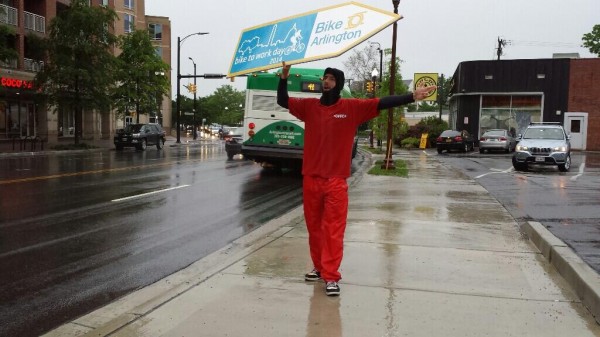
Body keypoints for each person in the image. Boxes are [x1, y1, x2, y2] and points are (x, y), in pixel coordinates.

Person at [277, 62, 435, 296]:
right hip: (311, 177)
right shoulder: (309, 107)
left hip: (335, 181)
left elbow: (382, 102)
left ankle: (331, 277)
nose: (326, 81)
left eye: (331, 78)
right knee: (314, 229)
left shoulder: (351, 108)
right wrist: (284, 76)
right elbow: (283, 101)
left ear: (338, 84)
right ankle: (319, 268)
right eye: (325, 78)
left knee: (333, 229)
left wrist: (412, 96)